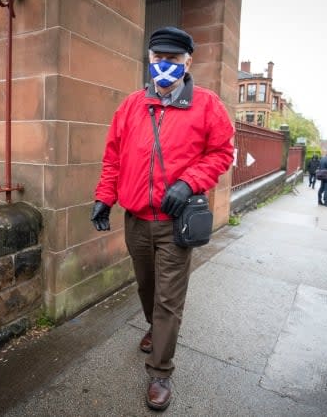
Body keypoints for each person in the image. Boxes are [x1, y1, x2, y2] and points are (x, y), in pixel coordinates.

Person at [90, 26, 234, 411]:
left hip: (175, 222)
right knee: (146, 287)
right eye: (158, 58)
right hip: (136, 218)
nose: (164, 65)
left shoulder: (208, 105)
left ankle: (160, 372)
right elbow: (113, 157)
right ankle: (154, 330)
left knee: (169, 300)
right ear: (150, 59)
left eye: (173, 59)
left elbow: (221, 153)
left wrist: (189, 184)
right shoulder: (131, 105)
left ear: (188, 61)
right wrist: (105, 198)